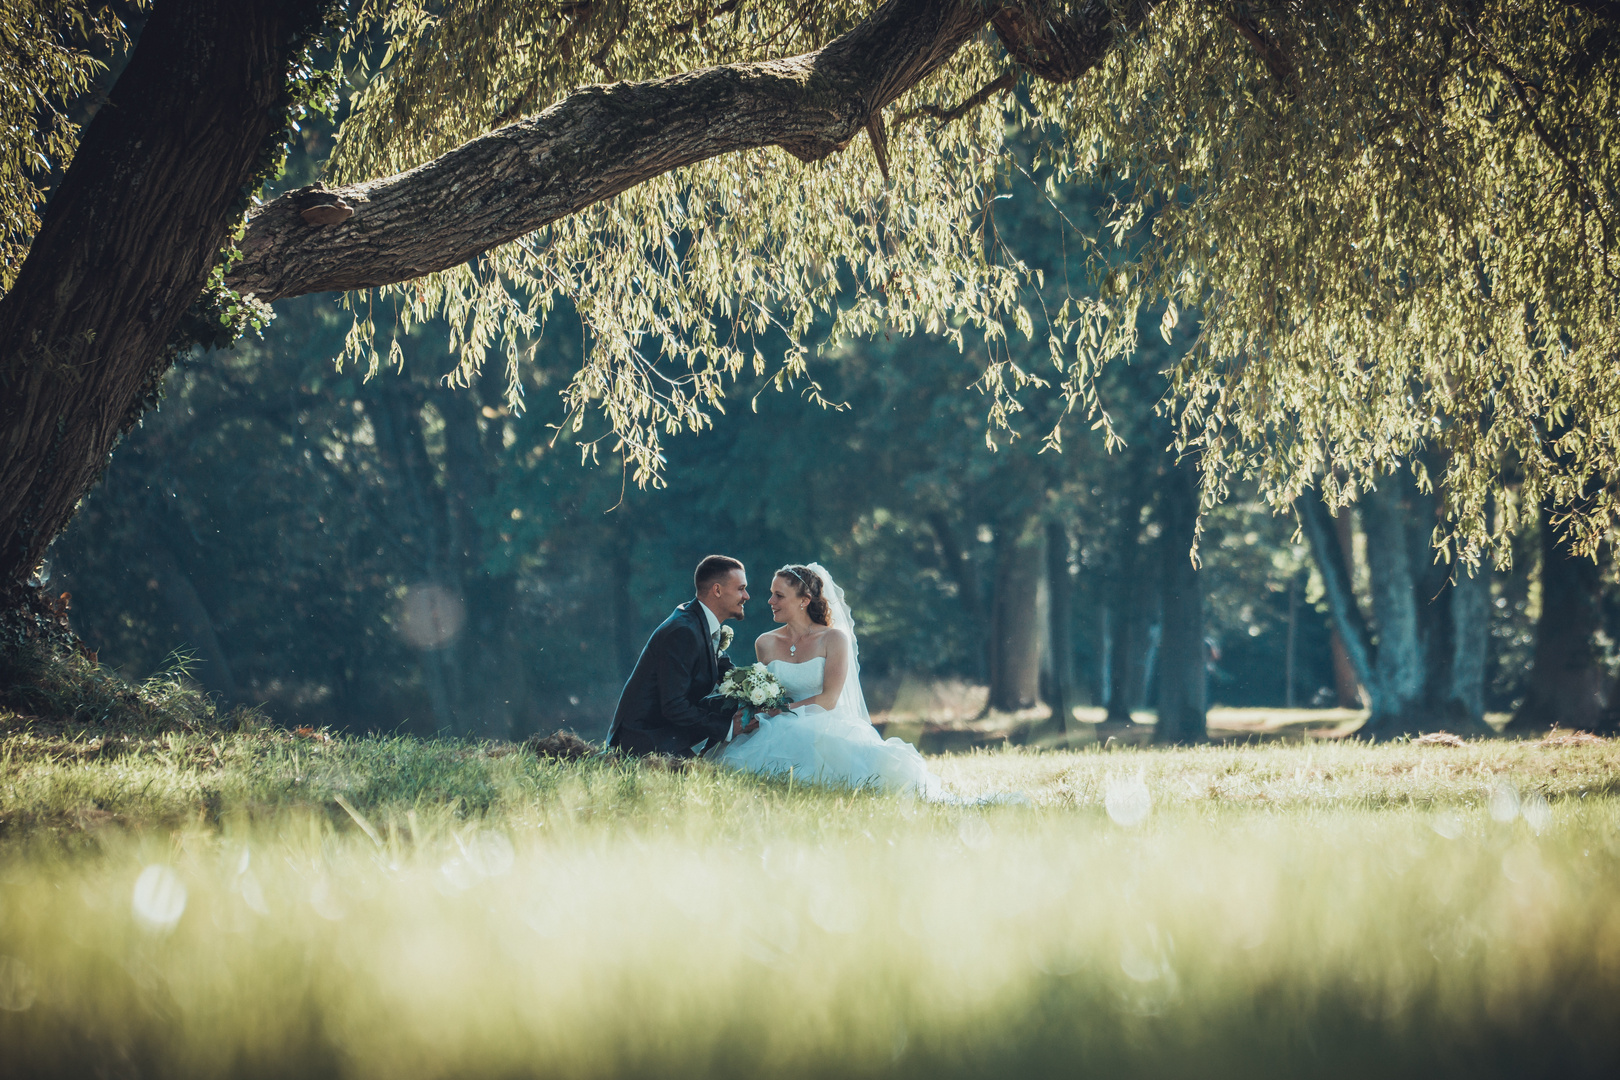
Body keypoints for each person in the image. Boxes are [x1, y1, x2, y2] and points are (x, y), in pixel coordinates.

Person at [717, 563, 944, 798]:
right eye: (771, 594)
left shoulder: (833, 639)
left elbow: (828, 699)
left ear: (803, 600)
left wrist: (780, 712)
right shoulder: (764, 642)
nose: (770, 601)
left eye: (779, 595)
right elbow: (765, 690)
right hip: (774, 725)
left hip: (822, 721)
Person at [606, 555, 749, 757]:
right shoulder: (683, 631)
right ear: (717, 590)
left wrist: (760, 693)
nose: (746, 596)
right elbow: (674, 705)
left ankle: (714, 755)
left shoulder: (699, 619)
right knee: (702, 781)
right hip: (644, 737)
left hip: (666, 726)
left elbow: (725, 671)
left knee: (736, 704)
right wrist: (727, 727)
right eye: (741, 588)